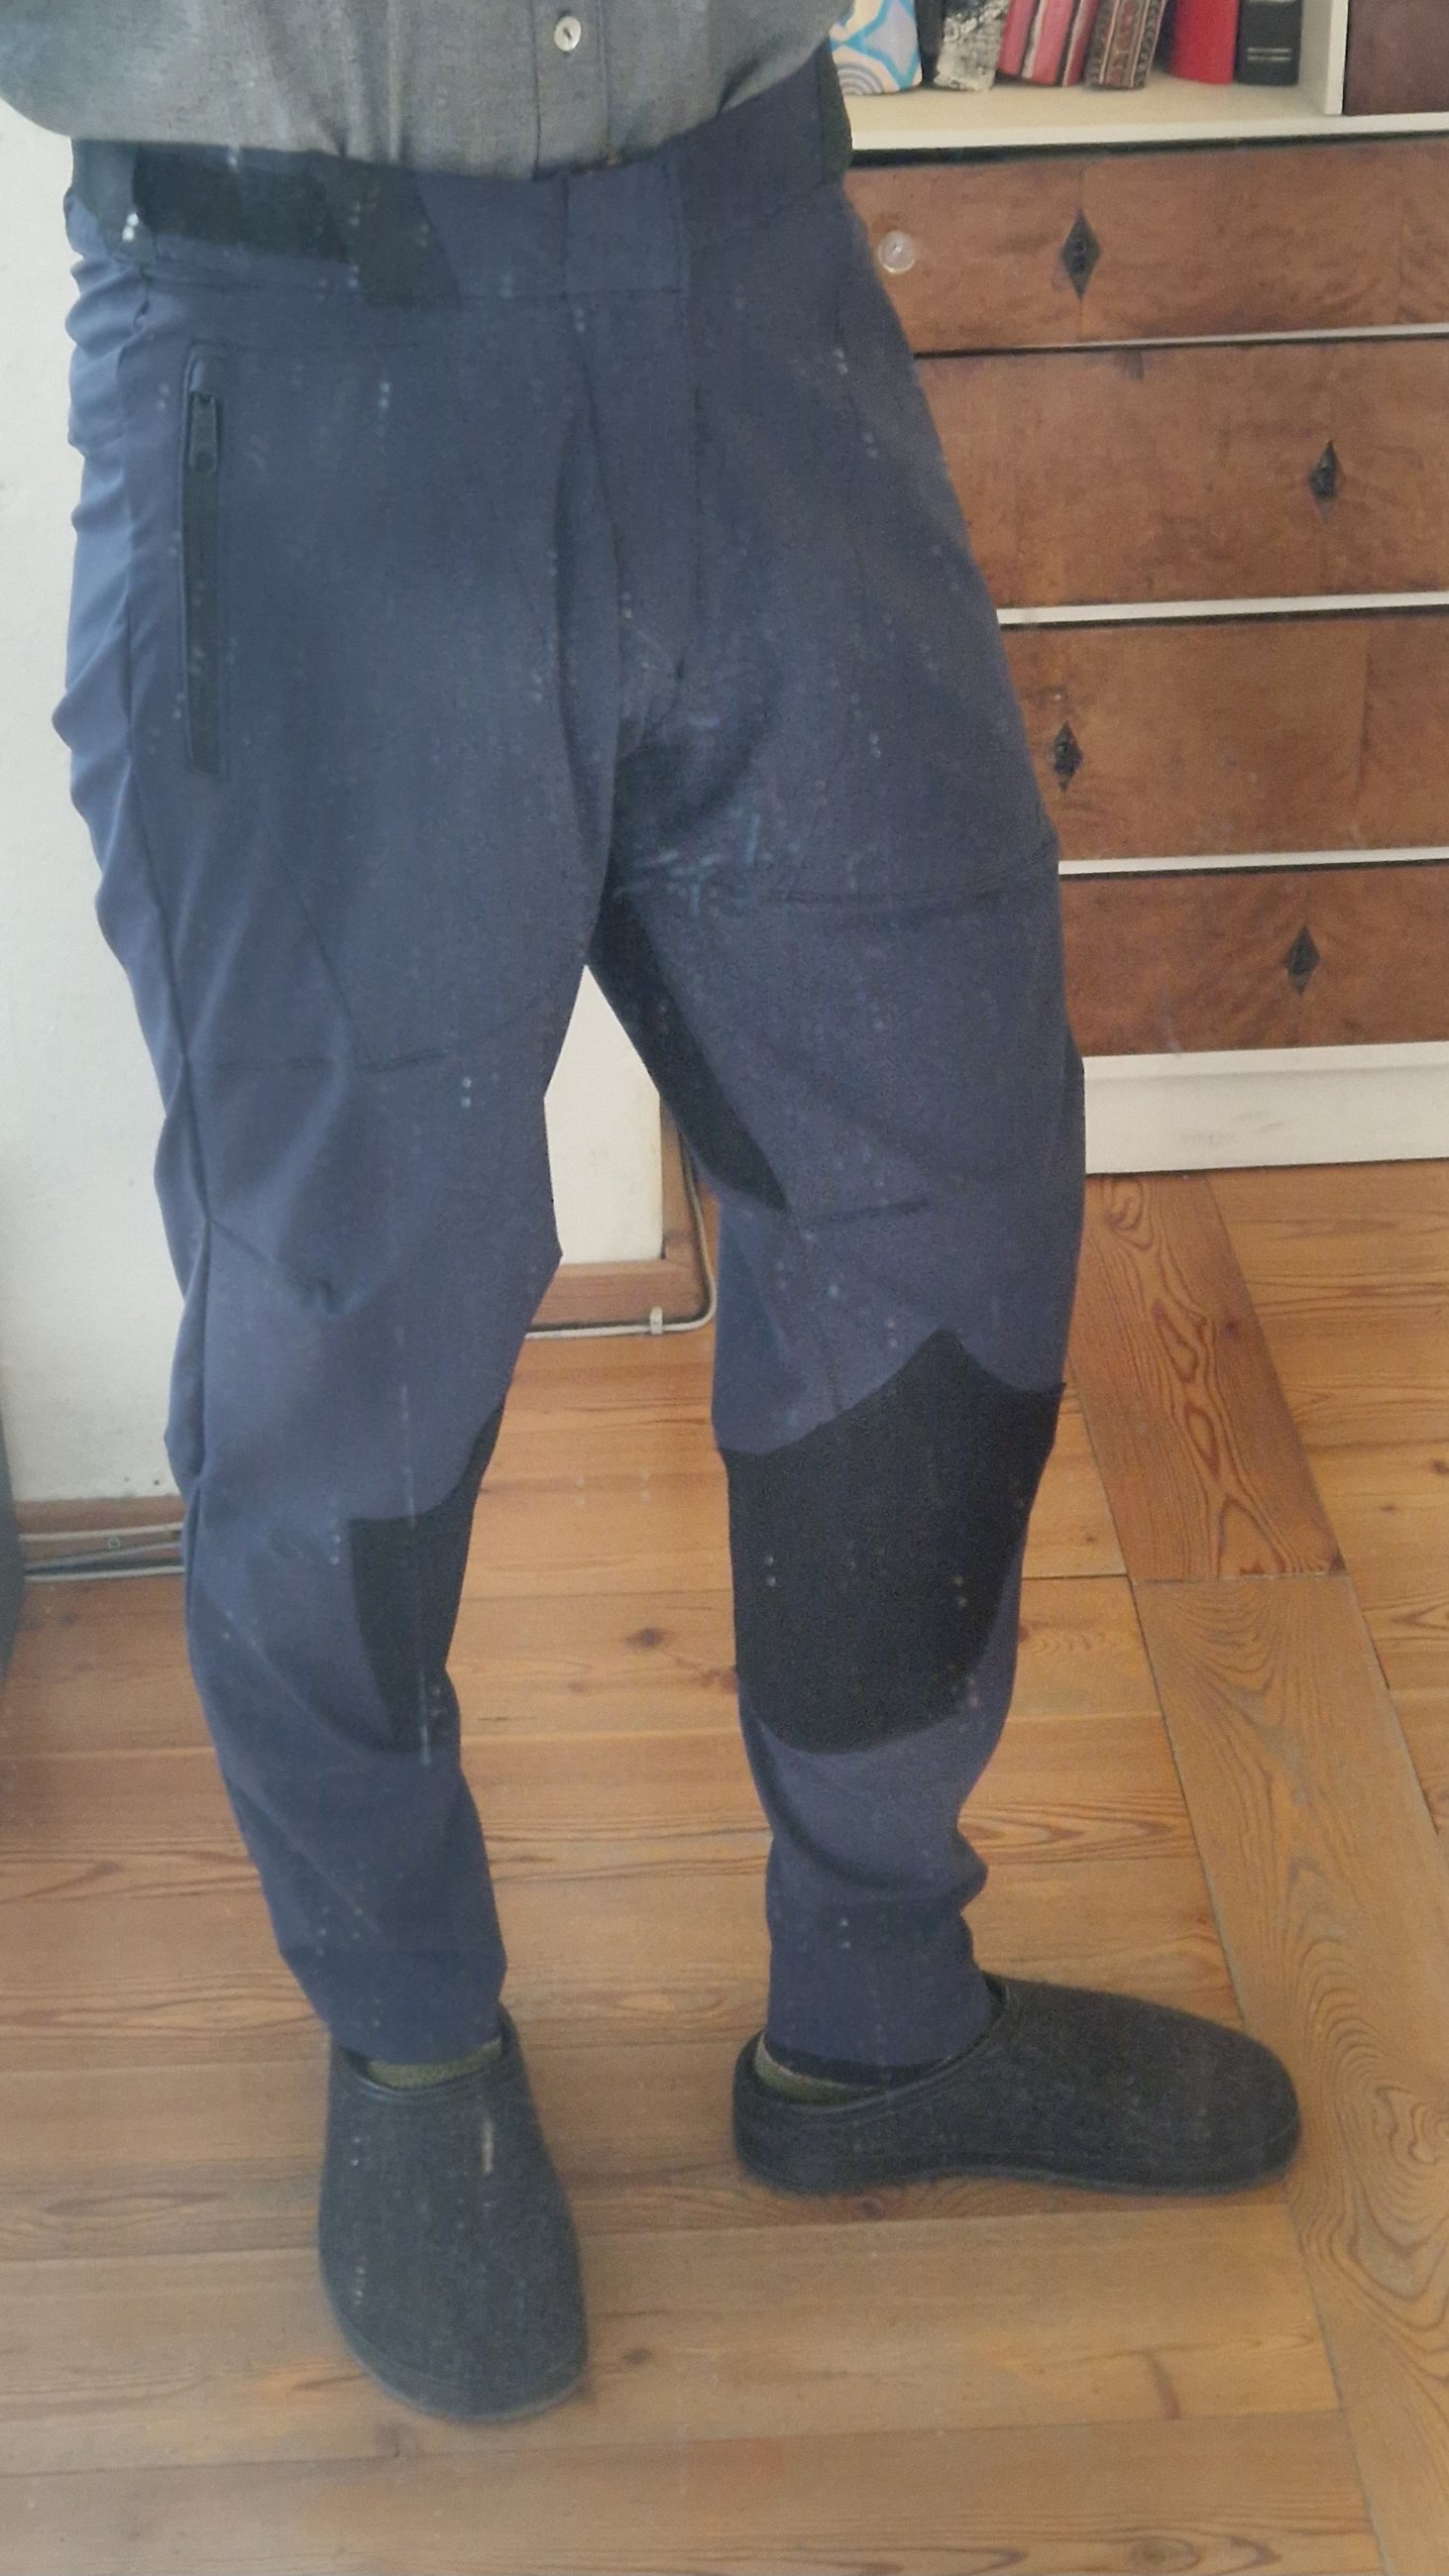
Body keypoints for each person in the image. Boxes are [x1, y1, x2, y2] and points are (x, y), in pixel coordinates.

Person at [1, 3, 1299, 2425]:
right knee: (343, 1321)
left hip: (752, 275)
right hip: (292, 350)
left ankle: (877, 2010)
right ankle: (408, 2035)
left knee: (937, 1186)